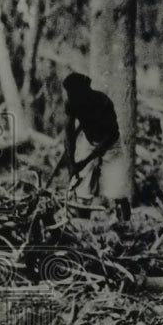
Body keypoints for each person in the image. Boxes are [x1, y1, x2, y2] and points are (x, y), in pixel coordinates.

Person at [62, 72, 131, 221]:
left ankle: (125, 225)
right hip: (89, 141)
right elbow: (68, 133)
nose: (71, 97)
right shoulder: (72, 102)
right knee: (82, 189)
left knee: (117, 189)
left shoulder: (103, 103)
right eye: (69, 94)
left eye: (74, 93)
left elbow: (109, 138)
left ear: (85, 90)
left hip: (111, 145)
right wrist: (71, 163)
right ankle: (83, 226)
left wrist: (84, 162)